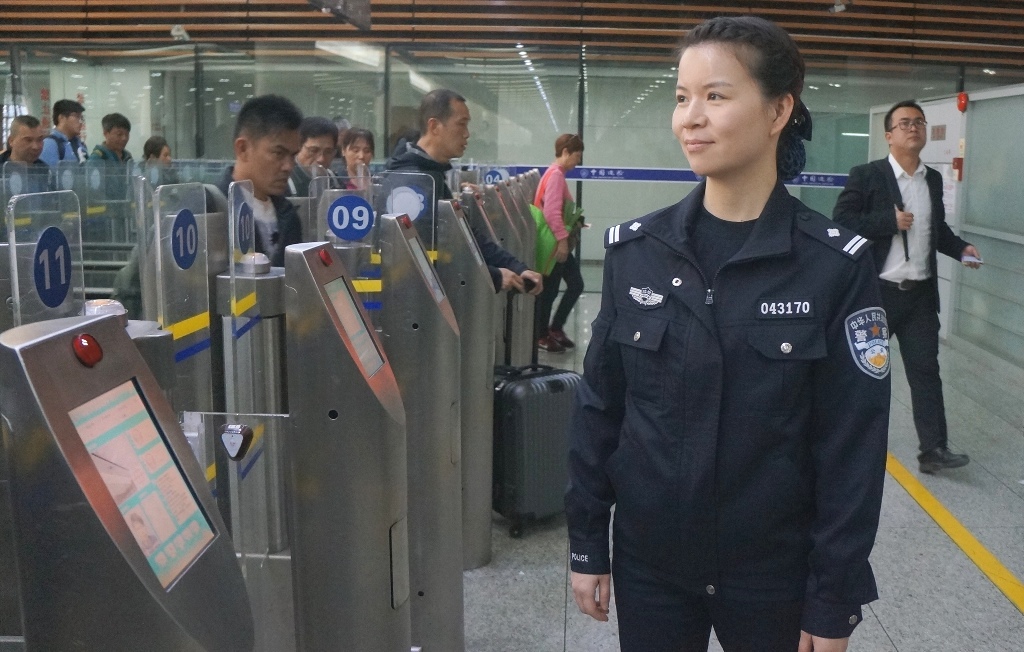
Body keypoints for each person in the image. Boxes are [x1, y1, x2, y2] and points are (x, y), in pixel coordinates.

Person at [566, 16, 891, 652]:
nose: (690, 118)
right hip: (650, 564)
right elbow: (600, 408)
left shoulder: (832, 266)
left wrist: (833, 597)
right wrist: (586, 542)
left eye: (715, 96)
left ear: (778, 111)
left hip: (773, 575)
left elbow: (852, 446)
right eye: (681, 97)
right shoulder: (638, 252)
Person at [833, 99, 981, 474]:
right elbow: (841, 222)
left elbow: (936, 231)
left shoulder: (932, 179)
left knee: (926, 372)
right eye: (904, 123)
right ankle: (849, 445)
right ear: (889, 135)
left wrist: (961, 249)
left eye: (919, 122)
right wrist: (888, 221)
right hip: (876, 295)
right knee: (864, 373)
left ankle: (933, 450)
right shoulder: (867, 175)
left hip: (919, 297)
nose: (913, 127)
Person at [385, 89, 542, 295]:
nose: (467, 133)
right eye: (461, 124)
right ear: (434, 126)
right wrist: (494, 276)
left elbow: (465, 235)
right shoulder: (413, 183)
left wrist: (516, 267)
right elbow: (421, 258)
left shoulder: (432, 174)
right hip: (414, 303)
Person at [217, 94, 304, 266]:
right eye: (278, 153)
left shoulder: (289, 215)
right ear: (243, 149)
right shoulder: (213, 211)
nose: (288, 166)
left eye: (293, 156)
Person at [535, 133, 585, 353]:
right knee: (550, 290)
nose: (577, 161)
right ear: (565, 152)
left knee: (573, 284)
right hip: (554, 242)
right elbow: (551, 212)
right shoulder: (555, 175)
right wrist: (563, 242)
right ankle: (542, 334)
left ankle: (554, 329)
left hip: (556, 239)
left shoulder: (554, 174)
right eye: (577, 156)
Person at [0, 115, 52, 193]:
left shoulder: (45, 171)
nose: (35, 147)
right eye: (28, 140)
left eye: (39, 140)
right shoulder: (2, 169)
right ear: (11, 141)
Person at [288, 116, 338, 197]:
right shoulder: (284, 182)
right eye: (313, 150)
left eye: (328, 152)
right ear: (298, 146)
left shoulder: (335, 181)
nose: (321, 159)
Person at [39, 99, 88, 165]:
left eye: (81, 118)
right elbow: (47, 171)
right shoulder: (50, 144)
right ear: (61, 118)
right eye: (77, 116)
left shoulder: (80, 144)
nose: (81, 121)